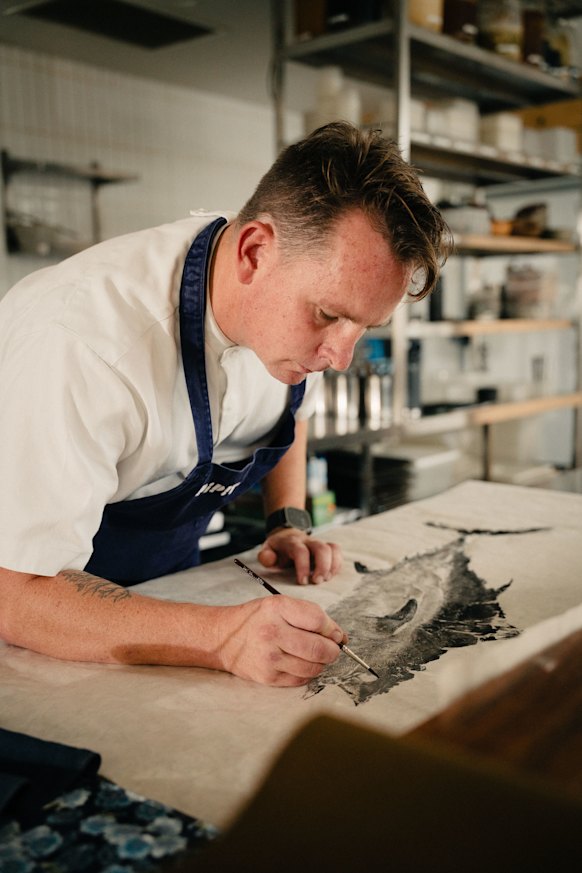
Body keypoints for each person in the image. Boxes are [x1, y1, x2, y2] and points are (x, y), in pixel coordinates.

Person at [0, 122, 451, 685]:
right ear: (254, 252)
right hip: (40, 636)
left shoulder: (290, 305)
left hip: (165, 599)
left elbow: (290, 416)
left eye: (364, 326)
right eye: (328, 314)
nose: (340, 357)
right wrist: (221, 637)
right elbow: (17, 594)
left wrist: (287, 524)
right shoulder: (82, 344)